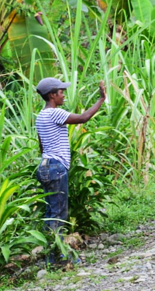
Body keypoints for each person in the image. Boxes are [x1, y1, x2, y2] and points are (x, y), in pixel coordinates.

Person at [35, 78, 106, 239]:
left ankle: (50, 252)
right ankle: (58, 255)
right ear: (52, 95)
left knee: (51, 212)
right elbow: (83, 118)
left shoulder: (41, 116)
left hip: (44, 165)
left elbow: (42, 146)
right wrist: (101, 99)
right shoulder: (55, 113)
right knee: (59, 214)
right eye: (61, 92)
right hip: (55, 166)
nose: (63, 96)